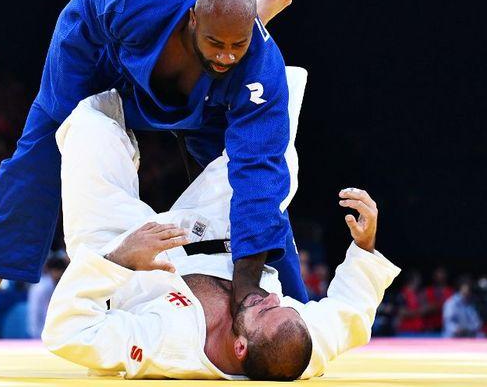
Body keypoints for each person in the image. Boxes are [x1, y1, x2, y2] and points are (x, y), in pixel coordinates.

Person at [0, 0, 301, 373]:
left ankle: (298, 307)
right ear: (192, 19)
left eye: (237, 44)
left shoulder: (260, 66)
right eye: (217, 42)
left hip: (204, 93)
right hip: (101, 52)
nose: (227, 55)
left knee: (243, 186)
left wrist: (249, 296)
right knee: (38, 158)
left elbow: (259, 174)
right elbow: (97, 13)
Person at [41, 85, 399, 380]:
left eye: (264, 311)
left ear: (240, 348)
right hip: (217, 234)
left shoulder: (168, 349)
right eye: (285, 307)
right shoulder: (297, 342)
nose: (275, 299)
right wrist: (365, 247)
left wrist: (117, 261)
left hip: (131, 256)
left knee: (90, 128)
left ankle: (124, 76)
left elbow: (67, 332)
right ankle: (244, 48)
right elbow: (351, 314)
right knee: (273, 143)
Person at [26, 253, 69, 338]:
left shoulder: (46, 283)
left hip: (36, 329)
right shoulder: (46, 286)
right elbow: (40, 311)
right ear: (54, 271)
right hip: (38, 331)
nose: (61, 275)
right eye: (60, 272)